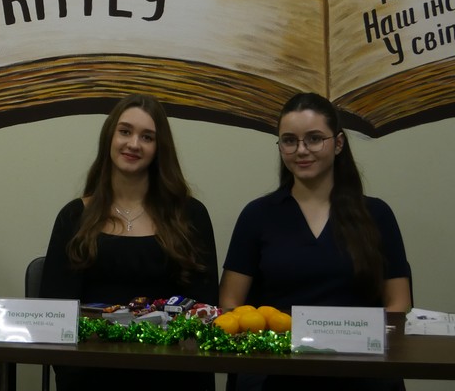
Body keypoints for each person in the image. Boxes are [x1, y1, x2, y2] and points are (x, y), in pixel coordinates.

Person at [220, 92, 411, 391]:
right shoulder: (257, 215)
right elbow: (230, 302)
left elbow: (399, 303)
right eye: (289, 140)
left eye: (314, 139)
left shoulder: (376, 214)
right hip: (279, 369)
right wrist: (264, 344)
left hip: (362, 367)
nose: (301, 150)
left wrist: (366, 340)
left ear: (338, 143)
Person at [39, 93, 217, 391]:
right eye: (125, 131)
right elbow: (55, 311)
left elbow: (206, 309)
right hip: (91, 374)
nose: (134, 144)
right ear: (109, 137)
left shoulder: (190, 216)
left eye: (147, 137)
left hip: (173, 374)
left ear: (159, 148)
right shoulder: (74, 217)